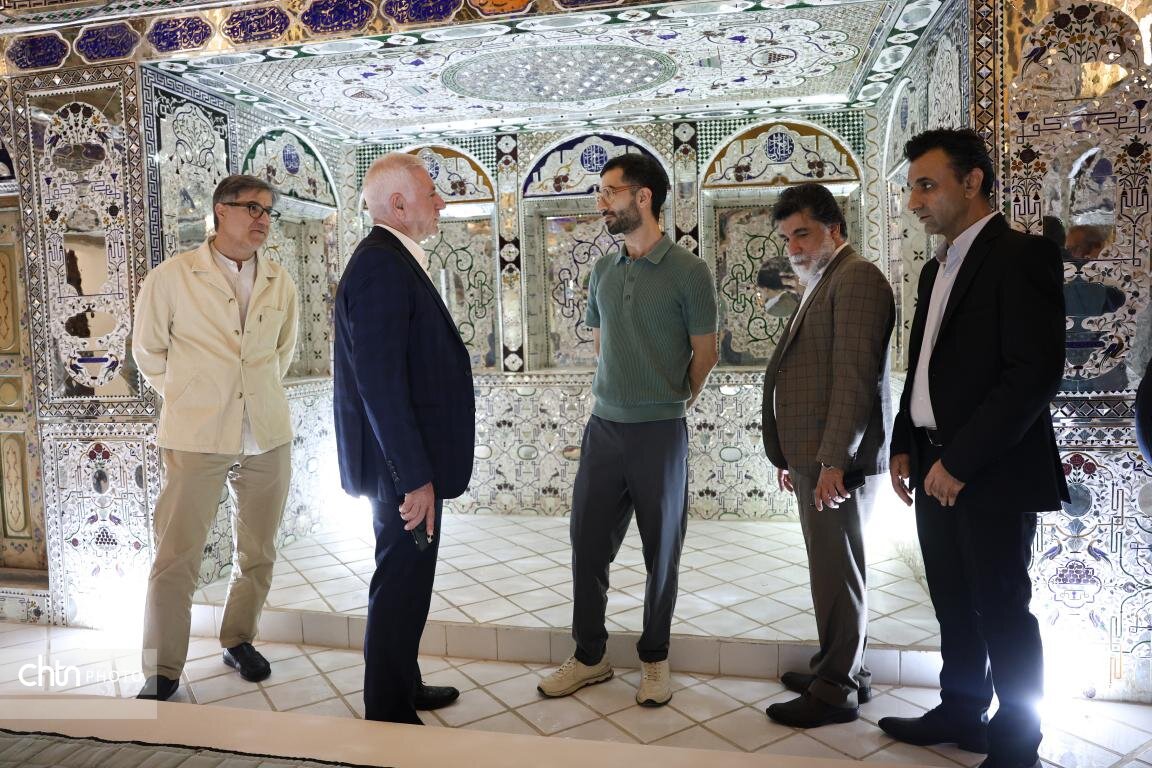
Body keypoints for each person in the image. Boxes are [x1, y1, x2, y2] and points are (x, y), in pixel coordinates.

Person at [882, 128, 1067, 768]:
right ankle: (962, 711)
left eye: (926, 185)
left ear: (973, 181)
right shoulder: (936, 269)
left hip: (989, 471)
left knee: (1002, 610)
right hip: (931, 462)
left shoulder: (1022, 257)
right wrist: (906, 442)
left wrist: (960, 462)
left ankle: (1016, 746)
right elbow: (924, 366)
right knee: (953, 604)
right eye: (912, 188)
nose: (914, 201)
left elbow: (1032, 374)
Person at [537, 153, 718, 707]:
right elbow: (601, 346)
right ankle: (590, 656)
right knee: (587, 545)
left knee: (661, 552)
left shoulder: (689, 272)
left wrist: (669, 404)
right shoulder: (603, 271)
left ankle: (655, 658)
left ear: (643, 197)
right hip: (604, 430)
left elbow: (705, 355)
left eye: (609, 192)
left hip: (659, 433)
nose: (601, 202)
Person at [133, 174, 299, 701]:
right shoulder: (172, 277)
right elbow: (148, 352)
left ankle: (238, 639)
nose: (262, 219)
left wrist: (254, 397)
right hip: (195, 434)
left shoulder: (279, 280)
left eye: (268, 211)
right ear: (220, 211)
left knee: (259, 550)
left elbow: (282, 352)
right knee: (175, 555)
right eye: (252, 208)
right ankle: (162, 668)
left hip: (266, 434)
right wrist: (191, 396)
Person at [333, 153, 475, 724]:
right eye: (430, 193)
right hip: (401, 473)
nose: (440, 202)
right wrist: (414, 477)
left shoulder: (392, 260)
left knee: (412, 580)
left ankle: (403, 683)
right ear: (397, 204)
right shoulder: (381, 266)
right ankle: (388, 710)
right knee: (400, 581)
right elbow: (380, 382)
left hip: (405, 465)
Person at [760, 183, 894, 728]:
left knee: (837, 571)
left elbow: (853, 379)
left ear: (834, 229)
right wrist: (795, 456)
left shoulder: (855, 277)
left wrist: (833, 460)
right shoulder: (826, 280)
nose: (793, 247)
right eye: (787, 238)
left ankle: (836, 690)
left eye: (803, 234)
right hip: (817, 455)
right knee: (834, 568)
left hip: (838, 461)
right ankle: (845, 670)